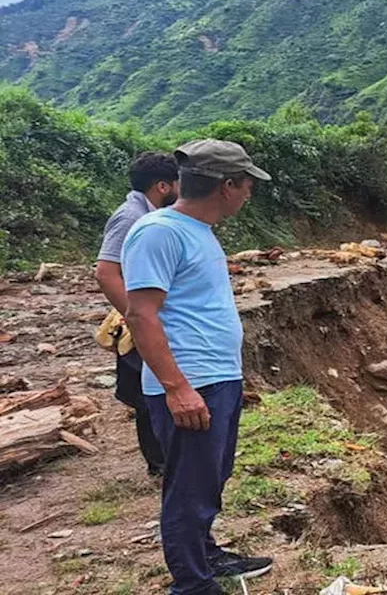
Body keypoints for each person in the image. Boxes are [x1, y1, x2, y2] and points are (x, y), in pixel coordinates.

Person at [123, 139, 274, 594]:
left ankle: (205, 555)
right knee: (188, 489)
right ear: (226, 186)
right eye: (246, 184)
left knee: (209, 477)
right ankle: (193, 585)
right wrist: (177, 388)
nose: (249, 193)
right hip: (193, 383)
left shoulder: (197, 230)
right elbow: (140, 315)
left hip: (216, 377)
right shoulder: (159, 232)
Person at [95, 152, 179, 477]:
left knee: (151, 387)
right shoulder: (131, 217)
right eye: (177, 184)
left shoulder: (146, 214)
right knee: (149, 393)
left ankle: (164, 460)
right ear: (162, 186)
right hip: (139, 318)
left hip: (143, 314)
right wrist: (134, 315)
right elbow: (105, 272)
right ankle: (160, 465)